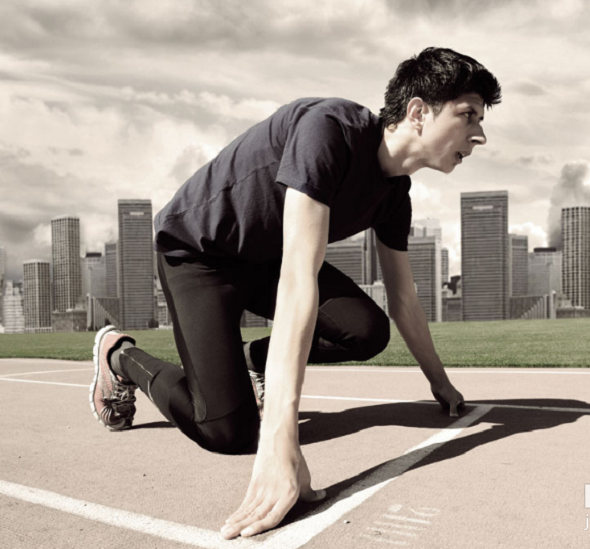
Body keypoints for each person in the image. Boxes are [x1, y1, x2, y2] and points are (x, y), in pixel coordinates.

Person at [88, 47, 501, 539]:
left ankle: (254, 360)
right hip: (200, 254)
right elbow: (298, 281)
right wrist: (279, 444)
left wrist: (440, 382)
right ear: (417, 112)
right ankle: (120, 355)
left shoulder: (395, 194)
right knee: (229, 432)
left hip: (266, 260)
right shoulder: (328, 130)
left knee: (367, 332)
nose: (479, 134)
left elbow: (404, 300)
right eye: (468, 115)